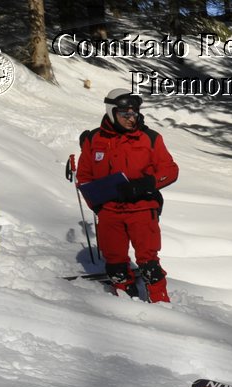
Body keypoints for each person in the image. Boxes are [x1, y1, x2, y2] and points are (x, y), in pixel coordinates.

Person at [75, 89, 179, 302]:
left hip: (142, 209)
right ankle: (126, 303)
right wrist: (96, 204)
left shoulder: (149, 138)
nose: (132, 119)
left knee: (148, 261)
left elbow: (170, 170)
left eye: (135, 114)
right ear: (112, 112)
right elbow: (84, 176)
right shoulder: (94, 139)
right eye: (125, 115)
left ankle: (161, 304)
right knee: (114, 262)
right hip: (109, 211)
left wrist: (145, 184)